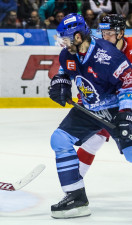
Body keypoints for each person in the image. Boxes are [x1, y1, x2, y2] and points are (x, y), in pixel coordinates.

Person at [49, 13, 132, 219]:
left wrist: (126, 113)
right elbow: (65, 70)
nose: (63, 43)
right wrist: (60, 82)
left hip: (115, 109)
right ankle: (76, 197)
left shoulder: (109, 56)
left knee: (130, 152)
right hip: (88, 108)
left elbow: (128, 84)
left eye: (66, 39)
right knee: (59, 139)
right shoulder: (68, 53)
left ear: (78, 37)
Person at [77, 14, 132, 177]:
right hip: (112, 102)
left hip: (127, 101)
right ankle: (73, 185)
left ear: (121, 33)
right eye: (103, 33)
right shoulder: (97, 49)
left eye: (110, 33)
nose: (105, 37)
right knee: (94, 138)